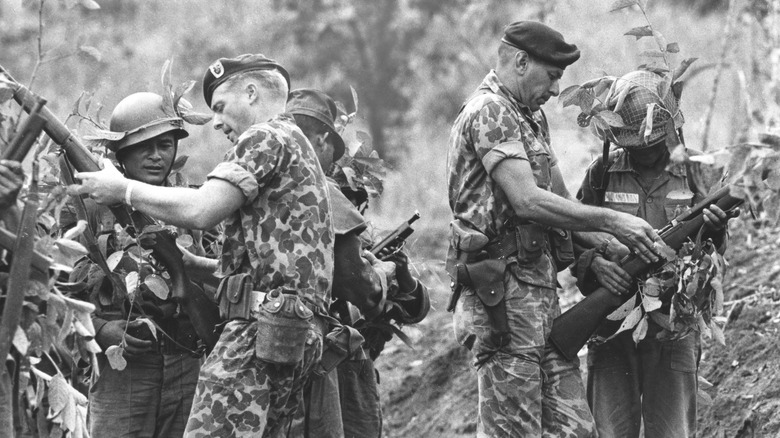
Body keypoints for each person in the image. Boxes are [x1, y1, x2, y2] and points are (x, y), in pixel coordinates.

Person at [73, 54, 334, 437]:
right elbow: (281, 262)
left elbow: (201, 211)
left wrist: (122, 190)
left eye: (221, 108)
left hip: (260, 328)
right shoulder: (298, 144)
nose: (216, 122)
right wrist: (193, 264)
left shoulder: (264, 137)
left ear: (250, 93)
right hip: (289, 328)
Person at [446, 21, 666, 437]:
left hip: (540, 304)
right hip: (503, 306)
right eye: (551, 76)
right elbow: (528, 199)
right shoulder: (490, 111)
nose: (553, 89)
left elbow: (561, 204)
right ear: (520, 61)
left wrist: (611, 244)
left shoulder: (528, 118)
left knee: (579, 431)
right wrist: (614, 220)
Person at [571, 70, 732, 438]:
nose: (645, 148)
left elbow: (716, 252)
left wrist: (716, 228)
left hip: (673, 327)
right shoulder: (602, 173)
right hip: (611, 324)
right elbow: (572, 235)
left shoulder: (698, 172)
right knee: (610, 430)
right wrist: (595, 263)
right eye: (635, 143)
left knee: (673, 430)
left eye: (654, 141)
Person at [285, 88, 430, 438]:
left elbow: (414, 307)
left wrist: (397, 272)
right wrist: (378, 274)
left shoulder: (347, 215)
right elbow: (364, 287)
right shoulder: (314, 195)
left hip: (344, 367)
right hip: (313, 366)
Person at [67, 91, 205, 438]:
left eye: (166, 145)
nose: (157, 156)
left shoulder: (190, 205)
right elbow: (59, 289)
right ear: (121, 154)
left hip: (186, 360)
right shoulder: (86, 211)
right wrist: (101, 329)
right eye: (145, 147)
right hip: (125, 369)